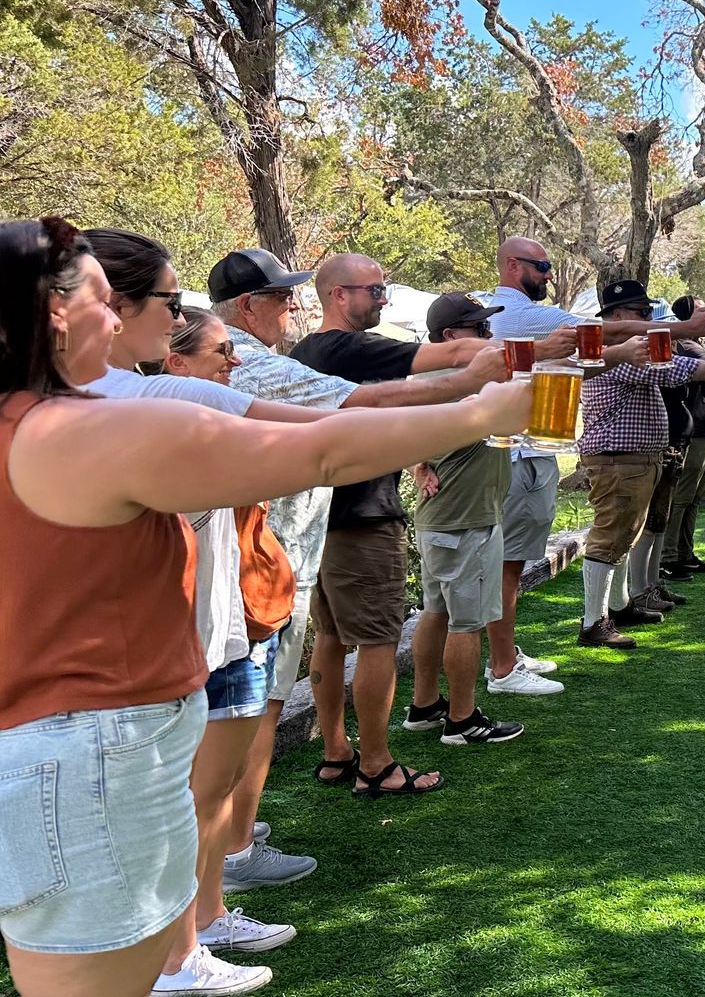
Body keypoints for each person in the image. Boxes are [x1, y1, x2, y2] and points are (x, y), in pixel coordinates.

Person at [0, 216, 527, 997]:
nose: (118, 321)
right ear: (53, 313)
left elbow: (327, 431)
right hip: (91, 758)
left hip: (71, 752)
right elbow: (320, 452)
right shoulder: (76, 431)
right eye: (106, 302)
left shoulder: (42, 421)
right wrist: (481, 414)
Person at [289, 254, 510, 799]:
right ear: (338, 295)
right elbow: (455, 355)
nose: (384, 301)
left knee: (334, 636)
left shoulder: (304, 353)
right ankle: (377, 764)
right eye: (375, 291)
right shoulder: (346, 347)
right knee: (380, 641)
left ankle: (338, 753)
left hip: (320, 516)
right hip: (363, 515)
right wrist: (540, 350)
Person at [486, 238, 705, 689]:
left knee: (512, 564)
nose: (550, 275)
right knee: (506, 566)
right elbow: (601, 337)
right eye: (543, 266)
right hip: (525, 454)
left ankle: (508, 656)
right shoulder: (522, 314)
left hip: (535, 452)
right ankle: (508, 665)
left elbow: (587, 354)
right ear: (513, 266)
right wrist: (685, 329)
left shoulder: (531, 319)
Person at [157, 309, 307, 971]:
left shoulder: (210, 428)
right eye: (221, 352)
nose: (234, 363)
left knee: (214, 788)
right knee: (191, 791)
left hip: (237, 625)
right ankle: (174, 946)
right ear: (175, 364)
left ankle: (208, 919)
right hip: (190, 636)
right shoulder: (163, 438)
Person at [579, 281, 705, 645]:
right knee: (609, 538)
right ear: (616, 317)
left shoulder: (621, 351)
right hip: (617, 459)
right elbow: (668, 370)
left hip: (633, 459)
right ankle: (593, 623)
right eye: (641, 313)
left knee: (625, 535)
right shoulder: (615, 353)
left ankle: (619, 606)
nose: (648, 319)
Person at [401, 293, 529, 747]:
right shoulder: (462, 384)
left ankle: (424, 705)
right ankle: (461, 719)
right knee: (466, 622)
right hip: (465, 520)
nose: (488, 336)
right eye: (479, 329)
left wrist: (419, 461)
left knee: (436, 611)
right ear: (451, 337)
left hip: (444, 519)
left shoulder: (433, 382)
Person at [661, 295, 705, 581]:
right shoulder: (687, 347)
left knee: (695, 498)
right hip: (696, 433)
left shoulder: (697, 345)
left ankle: (686, 553)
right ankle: (669, 557)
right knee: (682, 497)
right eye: (701, 312)